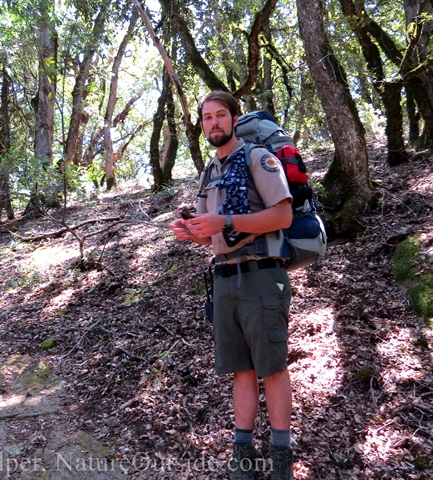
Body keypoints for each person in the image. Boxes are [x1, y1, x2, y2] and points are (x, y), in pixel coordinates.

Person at [169, 91, 294, 480]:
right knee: (240, 368)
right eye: (207, 118)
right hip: (224, 279)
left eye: (220, 115)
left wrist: (224, 222)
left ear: (235, 119)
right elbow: (213, 232)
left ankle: (281, 458)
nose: (214, 123)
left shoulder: (259, 158)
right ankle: (243, 453)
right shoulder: (210, 171)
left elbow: (283, 215)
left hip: (261, 274)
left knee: (271, 367)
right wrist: (193, 232)